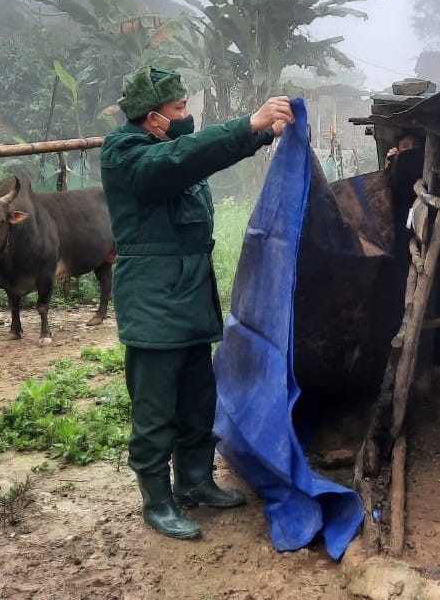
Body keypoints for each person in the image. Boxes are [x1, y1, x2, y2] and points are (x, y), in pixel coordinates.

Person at [100, 66, 294, 540]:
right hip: (152, 300)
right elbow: (180, 160)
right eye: (179, 108)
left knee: (197, 398)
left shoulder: (170, 151)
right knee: (155, 407)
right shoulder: (126, 154)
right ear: (153, 118)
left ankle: (194, 480)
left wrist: (263, 134)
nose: (186, 113)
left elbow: (195, 158)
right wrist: (247, 124)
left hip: (188, 297)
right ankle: (157, 499)